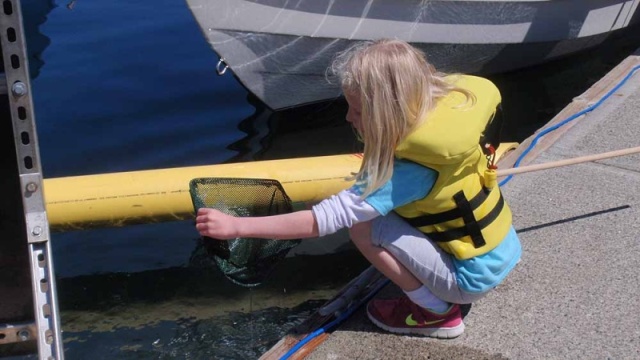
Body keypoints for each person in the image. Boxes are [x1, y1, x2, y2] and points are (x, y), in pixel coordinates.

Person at [195, 39, 521, 339]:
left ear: (388, 113)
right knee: (376, 212)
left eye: (359, 111)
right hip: (499, 254)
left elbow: (322, 221)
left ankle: (436, 314)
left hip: (466, 281)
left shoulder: (407, 171)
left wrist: (237, 226)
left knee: (362, 226)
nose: (349, 118)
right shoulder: (446, 127)